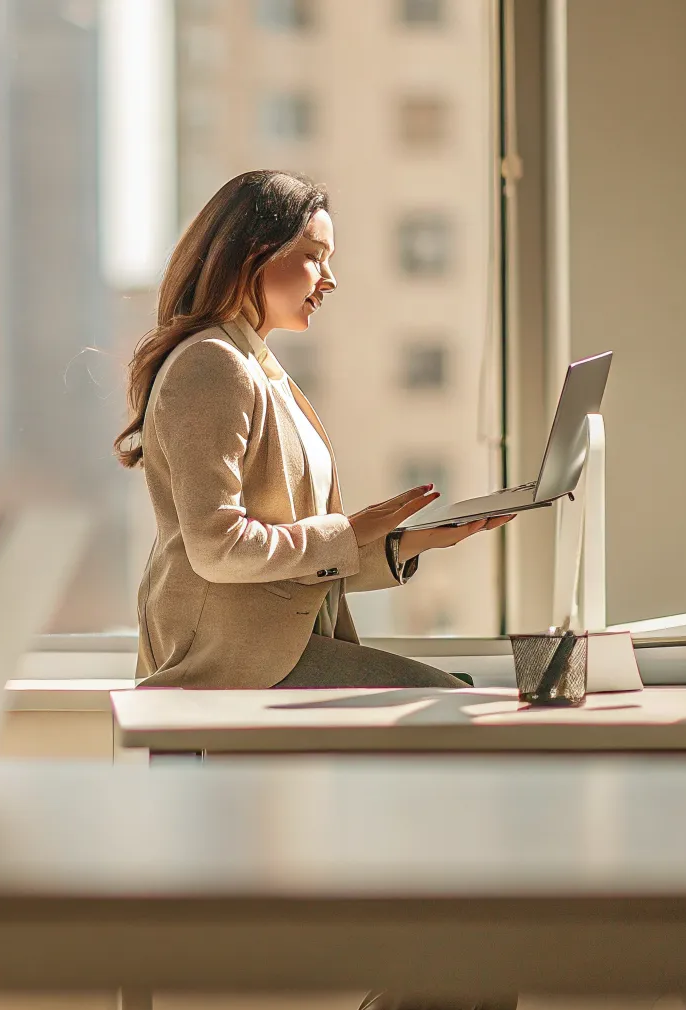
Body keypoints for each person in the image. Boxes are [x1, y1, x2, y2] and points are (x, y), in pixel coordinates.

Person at [118, 169, 512, 693]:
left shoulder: (256, 367)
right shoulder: (212, 363)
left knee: (458, 699)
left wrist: (411, 541)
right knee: (452, 703)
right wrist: (351, 530)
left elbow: (290, 564)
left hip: (273, 650)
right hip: (229, 660)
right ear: (253, 253)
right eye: (313, 256)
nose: (329, 279)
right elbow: (218, 548)